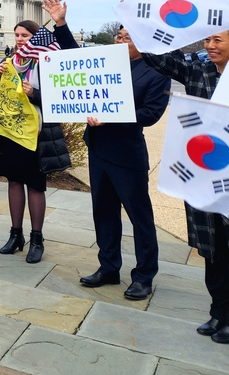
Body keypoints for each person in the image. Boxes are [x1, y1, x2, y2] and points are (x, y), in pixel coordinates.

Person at [142, 25, 229, 344]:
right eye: (208, 39)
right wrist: (142, 27)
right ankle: (220, 310)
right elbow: (159, 59)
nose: (211, 45)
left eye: (219, 40)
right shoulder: (198, 72)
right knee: (212, 247)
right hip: (202, 175)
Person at [78, 26, 170, 300]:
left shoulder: (156, 72)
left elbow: (151, 113)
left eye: (127, 37)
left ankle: (144, 276)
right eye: (118, 36)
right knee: (104, 213)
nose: (120, 40)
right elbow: (70, 65)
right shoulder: (105, 65)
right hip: (98, 148)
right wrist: (60, 25)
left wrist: (112, 116)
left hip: (127, 154)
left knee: (140, 218)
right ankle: (108, 267)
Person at [0, 0, 74, 263]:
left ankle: (37, 238)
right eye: (17, 35)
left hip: (37, 134)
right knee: (13, 182)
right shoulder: (12, 62)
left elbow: (62, 97)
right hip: (9, 132)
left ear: (37, 39)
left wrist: (34, 93)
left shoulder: (47, 63)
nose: (20, 39)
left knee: (35, 186)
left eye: (25, 35)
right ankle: (15, 234)